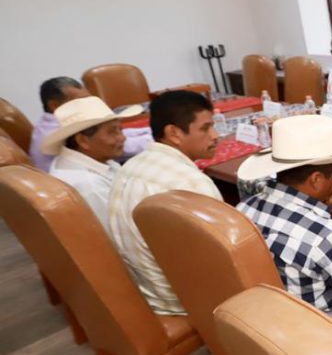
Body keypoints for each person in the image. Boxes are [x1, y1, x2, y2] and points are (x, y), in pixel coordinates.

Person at [237, 114, 332, 337]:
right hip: (324, 336)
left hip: (268, 322)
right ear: (316, 179)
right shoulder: (323, 236)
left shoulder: (244, 208)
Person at [108, 90, 222, 316]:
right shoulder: (191, 183)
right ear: (174, 133)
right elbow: (220, 261)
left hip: (145, 289)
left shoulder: (130, 166)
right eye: (205, 128)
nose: (216, 135)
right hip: (179, 303)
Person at [42, 96, 143, 234]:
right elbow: (119, 235)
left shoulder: (93, 158)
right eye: (112, 131)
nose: (122, 137)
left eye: (120, 129)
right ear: (83, 141)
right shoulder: (89, 186)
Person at [30, 76, 151, 170]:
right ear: (54, 105)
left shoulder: (51, 122)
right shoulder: (63, 129)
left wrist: (149, 129)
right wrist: (157, 133)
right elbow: (127, 146)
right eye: (80, 101)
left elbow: (114, 134)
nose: (87, 105)